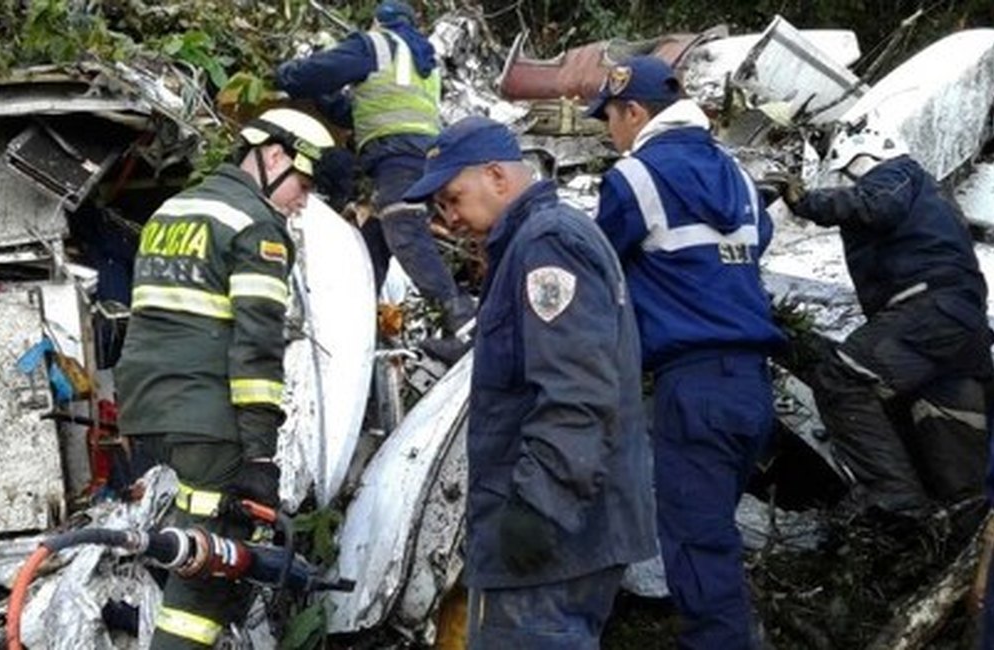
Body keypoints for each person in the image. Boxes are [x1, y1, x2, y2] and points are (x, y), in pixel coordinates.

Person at [402, 116, 657, 648]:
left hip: (551, 546)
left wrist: (538, 510)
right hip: (566, 536)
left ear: (497, 175)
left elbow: (578, 391)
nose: (451, 218)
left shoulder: (547, 244)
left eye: (453, 197)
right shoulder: (533, 241)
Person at [115, 108, 334, 648]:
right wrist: (259, 458)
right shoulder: (258, 225)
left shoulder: (173, 210)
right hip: (209, 421)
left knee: (179, 550)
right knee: (210, 573)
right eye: (302, 185)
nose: (301, 201)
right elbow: (257, 352)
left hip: (146, 413)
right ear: (274, 156)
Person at [589, 55, 786, 648]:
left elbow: (599, 266)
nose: (609, 132)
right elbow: (755, 243)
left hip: (693, 387)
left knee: (698, 550)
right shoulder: (736, 176)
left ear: (633, 110)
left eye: (610, 119)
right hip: (752, 388)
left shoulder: (634, 178)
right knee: (714, 538)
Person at [773, 121, 992, 524]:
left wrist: (805, 202)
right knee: (946, 423)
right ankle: (956, 525)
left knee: (842, 377)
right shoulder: (929, 193)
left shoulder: (897, 174)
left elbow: (874, 206)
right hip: (959, 325)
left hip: (928, 311)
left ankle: (892, 496)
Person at [276, 0, 475, 336]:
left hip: (397, 157)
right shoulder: (422, 60)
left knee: (405, 233)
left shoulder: (375, 45)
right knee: (373, 244)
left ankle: (462, 317)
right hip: (419, 157)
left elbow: (315, 73)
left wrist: (284, 74)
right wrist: (326, 101)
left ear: (377, 22)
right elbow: (364, 113)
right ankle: (356, 324)